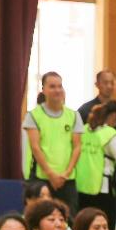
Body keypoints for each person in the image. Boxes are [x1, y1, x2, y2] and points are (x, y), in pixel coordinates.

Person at [23, 71, 82, 210]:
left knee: (69, 217)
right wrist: (50, 174)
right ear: (43, 89)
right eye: (52, 86)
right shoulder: (34, 115)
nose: (57, 90)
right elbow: (35, 147)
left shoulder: (73, 115)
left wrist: (66, 173)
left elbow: (77, 147)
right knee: (39, 216)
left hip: (67, 179)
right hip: (41, 177)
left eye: (60, 86)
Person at [74, 98, 116, 217]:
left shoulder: (83, 130)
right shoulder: (108, 133)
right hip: (101, 186)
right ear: (114, 116)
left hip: (81, 185)